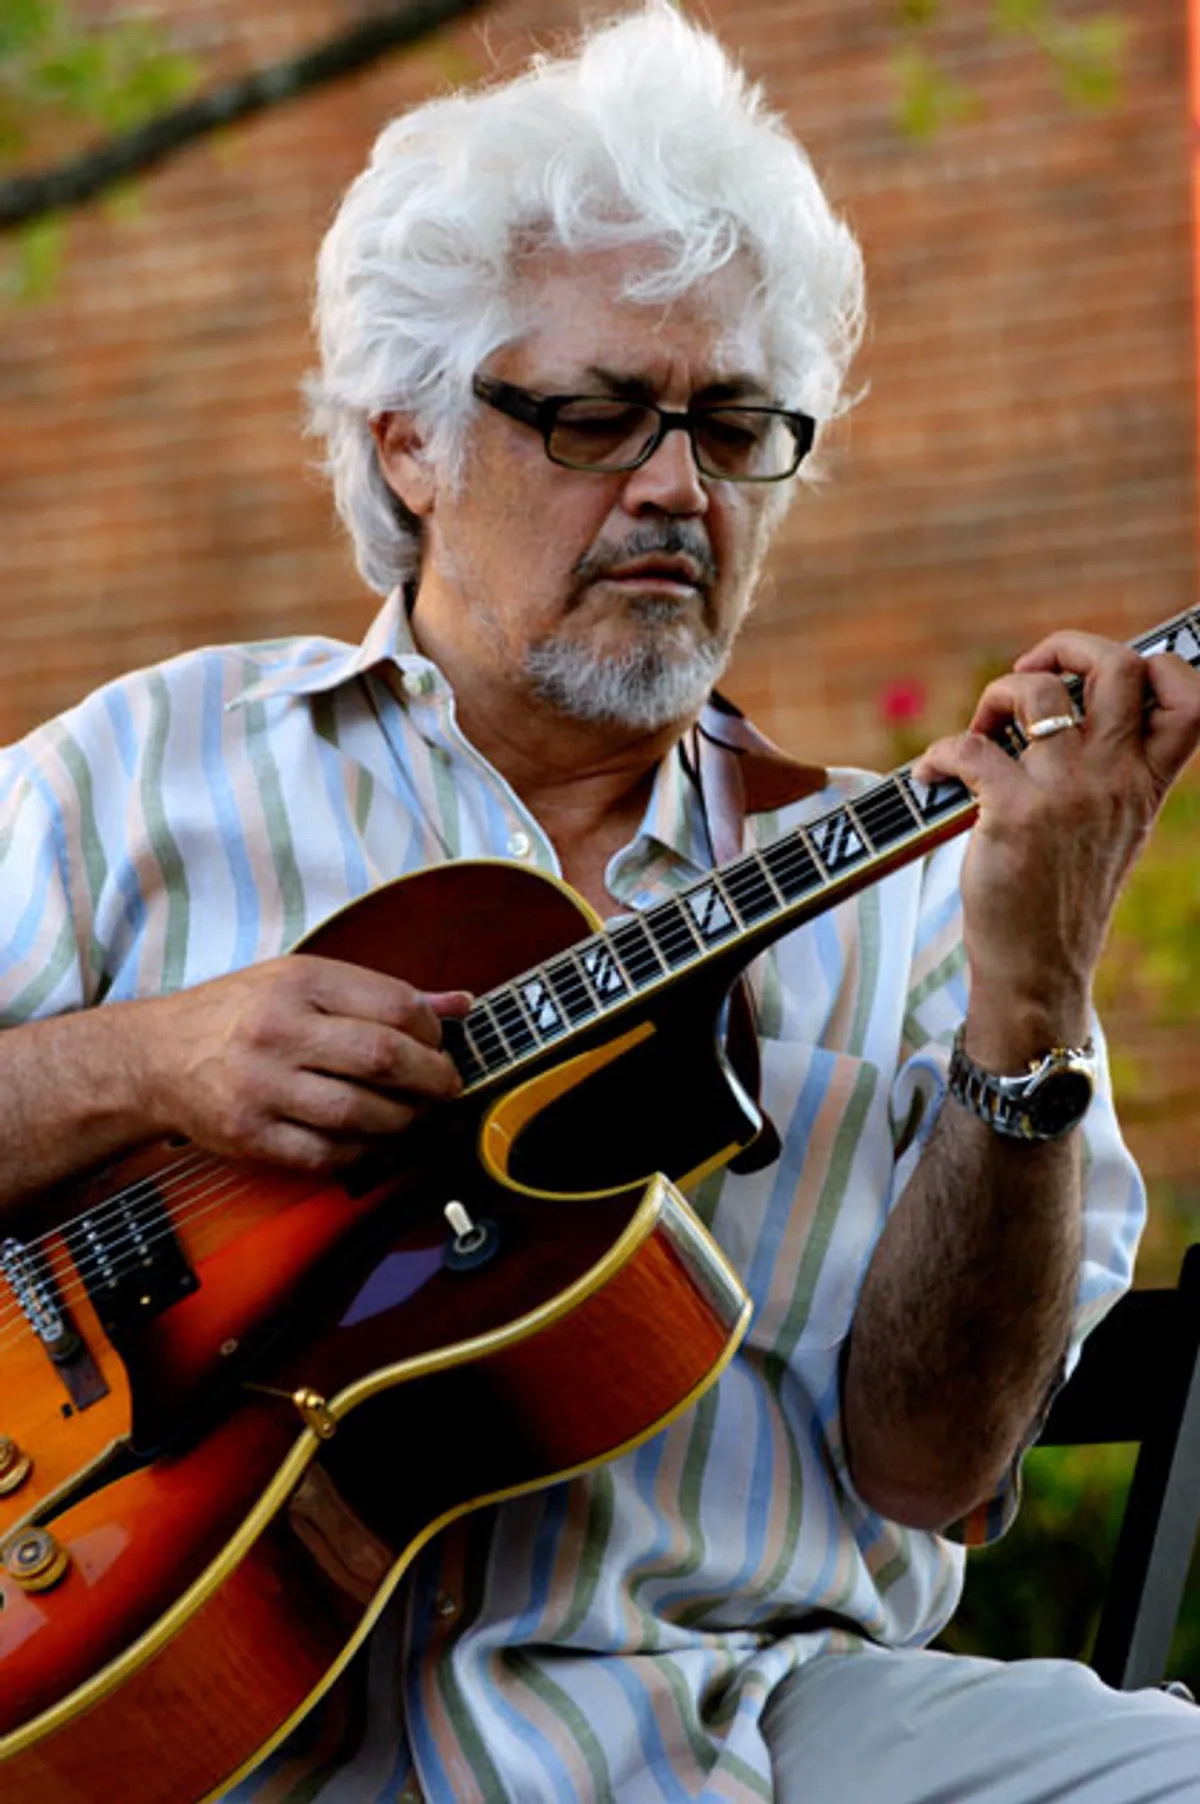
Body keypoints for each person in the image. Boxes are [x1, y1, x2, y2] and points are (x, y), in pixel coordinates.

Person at [2, 5, 1199, 1800]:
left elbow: (933, 1467)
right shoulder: (139, 777)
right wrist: (142, 1064)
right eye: (593, 417)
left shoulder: (925, 893)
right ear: (408, 442)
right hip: (223, 1718)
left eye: (735, 427)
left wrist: (1027, 1012)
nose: (674, 489)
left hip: (771, 1728)